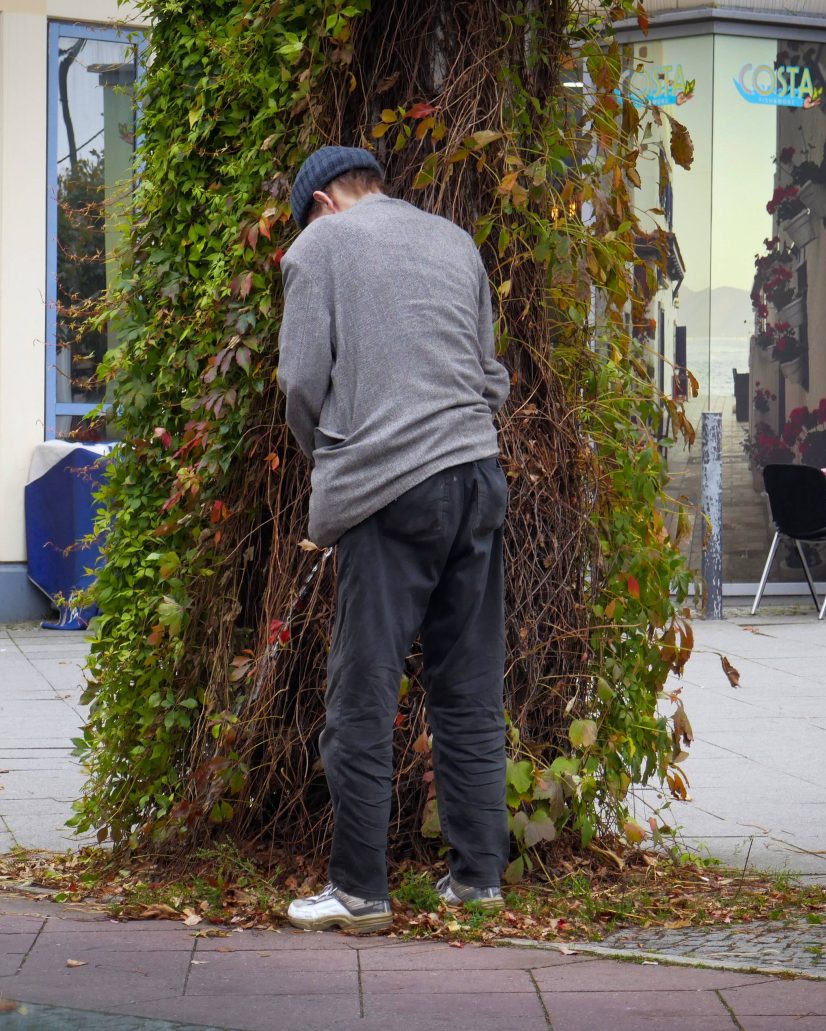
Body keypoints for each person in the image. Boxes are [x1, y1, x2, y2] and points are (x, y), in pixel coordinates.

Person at [277, 146, 511, 933]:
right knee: (470, 689)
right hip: (478, 478)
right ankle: (479, 880)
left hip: (391, 489)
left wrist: (336, 459)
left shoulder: (319, 246)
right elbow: (492, 376)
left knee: (363, 696)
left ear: (319, 202)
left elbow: (301, 383)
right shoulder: (452, 240)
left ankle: (358, 891)